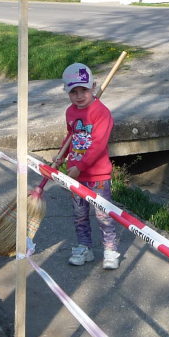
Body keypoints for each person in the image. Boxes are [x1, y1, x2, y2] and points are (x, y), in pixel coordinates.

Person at [52, 63, 119, 269]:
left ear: (93, 86)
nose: (80, 96)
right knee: (79, 215)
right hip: (76, 175)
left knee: (103, 215)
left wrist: (80, 166)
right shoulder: (71, 112)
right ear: (67, 92)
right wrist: (61, 155)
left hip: (97, 176)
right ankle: (84, 247)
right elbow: (71, 136)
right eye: (74, 92)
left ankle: (110, 250)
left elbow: (98, 144)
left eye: (84, 90)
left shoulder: (101, 113)